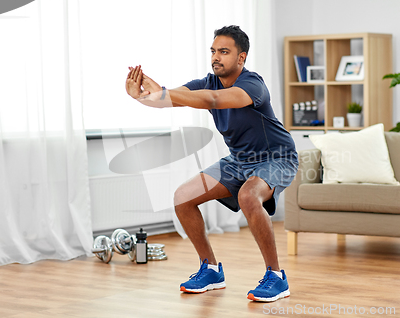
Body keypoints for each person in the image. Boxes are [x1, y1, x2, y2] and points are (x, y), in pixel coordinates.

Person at [125, 25, 298, 302]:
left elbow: (214, 100)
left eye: (224, 52)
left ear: (241, 58)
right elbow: (169, 99)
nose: (216, 57)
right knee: (183, 197)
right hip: (239, 160)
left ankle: (276, 277)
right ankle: (210, 269)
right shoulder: (208, 82)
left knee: (248, 196)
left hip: (276, 157)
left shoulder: (253, 85)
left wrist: (164, 93)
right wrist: (144, 96)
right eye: (213, 51)